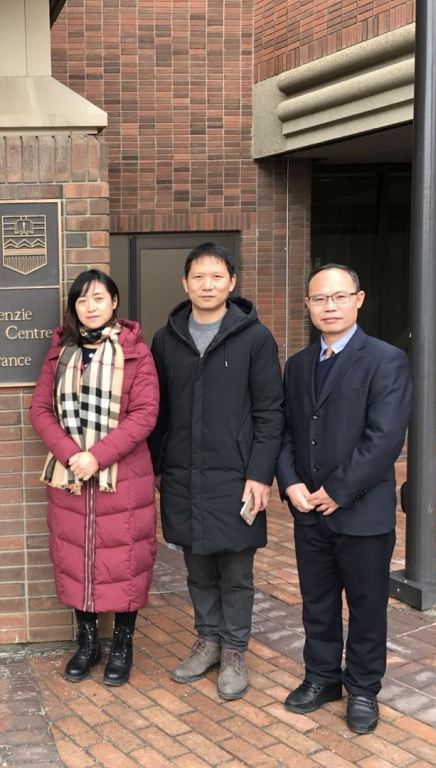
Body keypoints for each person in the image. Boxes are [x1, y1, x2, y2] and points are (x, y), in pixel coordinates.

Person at [277, 263, 411, 734]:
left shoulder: (386, 360)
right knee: (317, 603)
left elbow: (385, 438)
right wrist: (289, 482)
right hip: (308, 511)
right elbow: (285, 431)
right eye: (319, 299)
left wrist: (337, 490)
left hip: (362, 513)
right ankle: (321, 678)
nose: (329, 306)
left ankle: (363, 689)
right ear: (308, 305)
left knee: (367, 607)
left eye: (338, 296)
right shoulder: (297, 365)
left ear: (359, 299)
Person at [148, 242, 283, 701]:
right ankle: (207, 641)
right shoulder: (167, 340)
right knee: (198, 567)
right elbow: (159, 413)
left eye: (216, 276)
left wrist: (260, 474)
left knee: (236, 572)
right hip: (183, 475)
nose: (207, 285)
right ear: (185, 283)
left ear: (232, 282)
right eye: (198, 277)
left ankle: (234, 652)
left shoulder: (255, 339)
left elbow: (270, 412)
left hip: (237, 476)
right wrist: (156, 467)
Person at [29, 270, 159, 687]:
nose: (90, 307)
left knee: (126, 560)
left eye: (99, 298)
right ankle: (87, 643)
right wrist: (72, 456)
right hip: (70, 477)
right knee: (77, 558)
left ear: (114, 302)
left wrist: (97, 457)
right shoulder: (59, 353)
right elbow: (40, 411)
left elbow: (145, 415)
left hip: (124, 478)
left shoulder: (136, 353)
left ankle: (122, 644)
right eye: (82, 300)